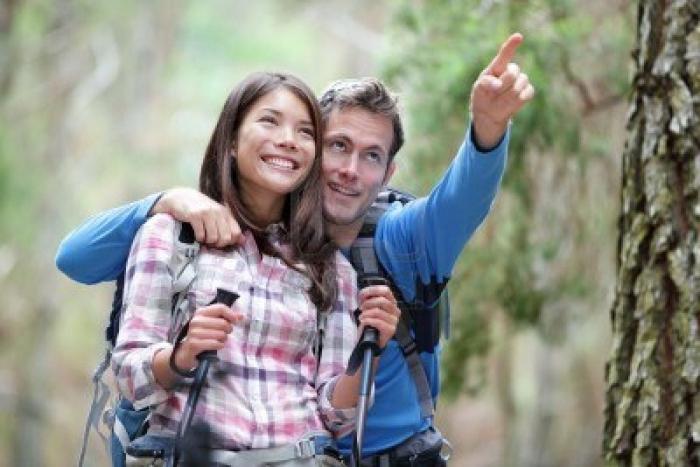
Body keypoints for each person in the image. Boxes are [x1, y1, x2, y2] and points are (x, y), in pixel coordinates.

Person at [57, 34, 533, 465]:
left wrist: (487, 129)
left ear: (388, 174)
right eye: (337, 145)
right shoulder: (198, 231)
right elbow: (76, 258)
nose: (349, 169)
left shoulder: (395, 243)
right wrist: (162, 201)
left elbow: (462, 202)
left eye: (371, 156)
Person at [101, 71, 399, 467]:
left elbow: (336, 417)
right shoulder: (170, 236)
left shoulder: (329, 268)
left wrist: (370, 350)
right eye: (269, 121)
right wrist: (182, 354)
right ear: (231, 141)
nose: (288, 140)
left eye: (305, 131)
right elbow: (128, 376)